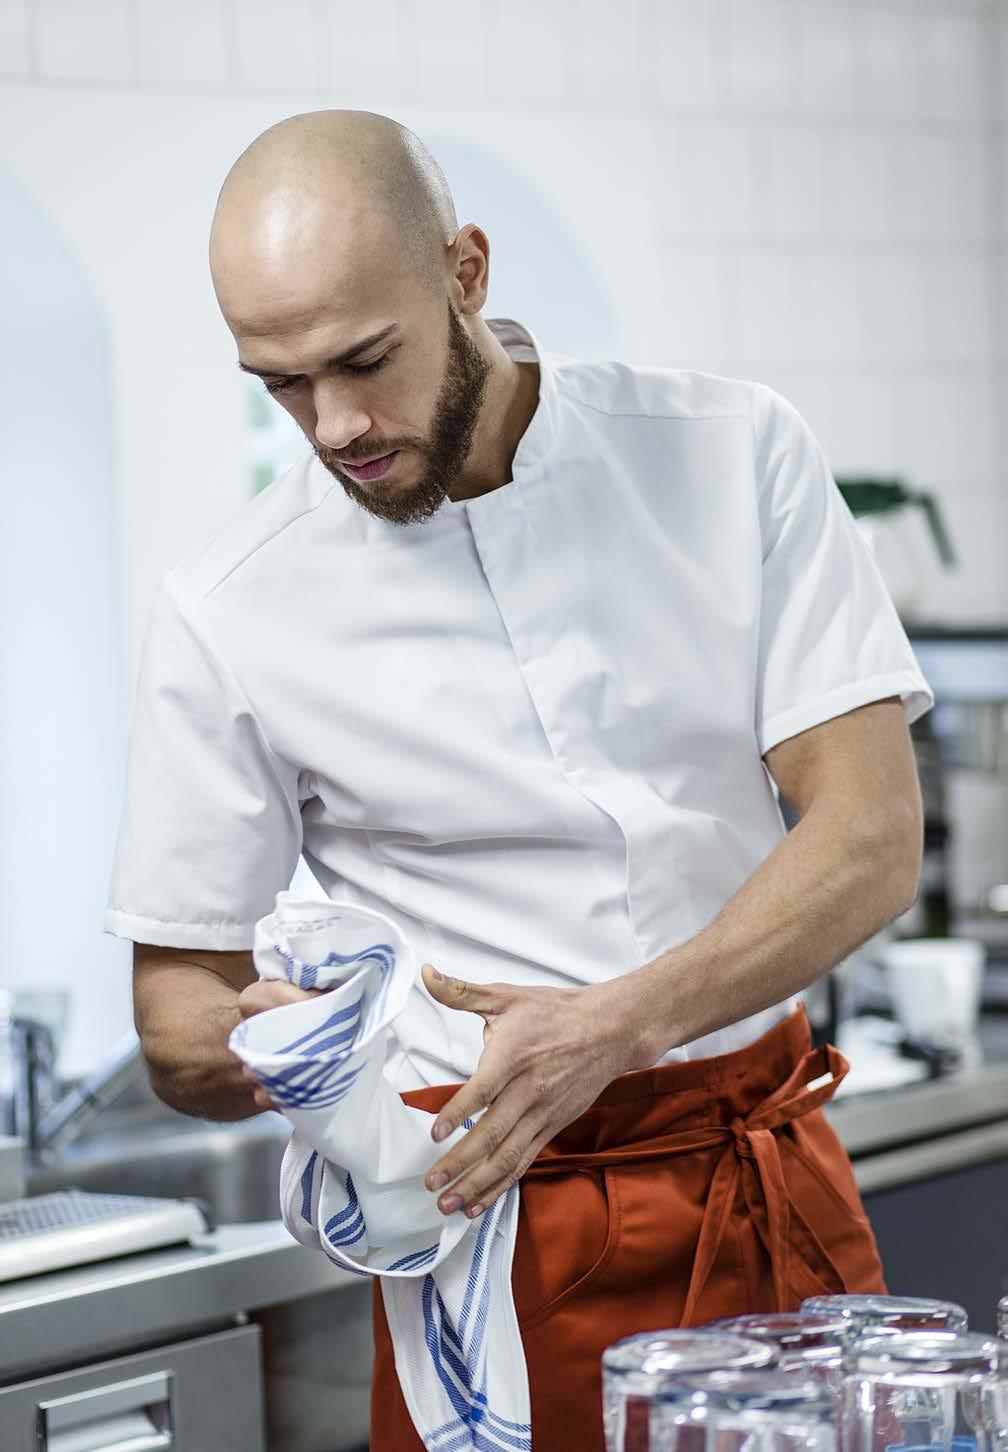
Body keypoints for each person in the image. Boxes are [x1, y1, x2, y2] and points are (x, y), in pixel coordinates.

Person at [106, 110, 932, 1449]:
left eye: (365, 359)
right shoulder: (229, 611)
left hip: (766, 1175)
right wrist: (286, 1045)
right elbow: (175, 1009)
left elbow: (871, 835)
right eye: (281, 383)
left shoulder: (728, 452)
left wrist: (615, 1023)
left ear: (466, 273)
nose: (337, 425)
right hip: (494, 1228)